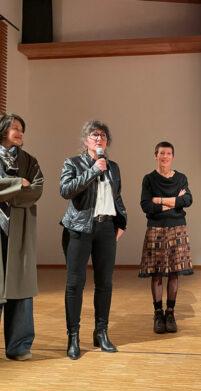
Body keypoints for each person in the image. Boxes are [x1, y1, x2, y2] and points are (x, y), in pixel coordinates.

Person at [60, 120, 127, 360]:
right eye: (94, 135)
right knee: (75, 284)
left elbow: (117, 197)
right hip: (79, 229)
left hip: (106, 228)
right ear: (85, 140)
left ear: (107, 142)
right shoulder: (73, 163)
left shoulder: (113, 167)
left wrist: (122, 222)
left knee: (105, 284)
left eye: (103, 136)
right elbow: (66, 190)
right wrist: (93, 170)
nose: (99, 139)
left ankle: (101, 333)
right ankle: (73, 336)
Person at [0, 113, 44, 361]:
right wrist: (18, 183)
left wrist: (7, 191)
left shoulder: (29, 160)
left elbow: (36, 189)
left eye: (21, 129)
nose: (19, 132)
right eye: (14, 128)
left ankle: (18, 346)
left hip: (20, 227)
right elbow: (24, 186)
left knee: (21, 286)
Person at [139, 141, 193, 334]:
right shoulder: (149, 179)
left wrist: (159, 200)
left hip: (177, 228)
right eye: (161, 153)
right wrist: (174, 202)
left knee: (174, 273)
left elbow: (187, 200)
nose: (165, 156)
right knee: (156, 273)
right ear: (156, 155)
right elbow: (146, 205)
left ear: (173, 157)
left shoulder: (181, 178)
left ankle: (170, 313)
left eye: (168, 153)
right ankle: (158, 313)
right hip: (156, 228)